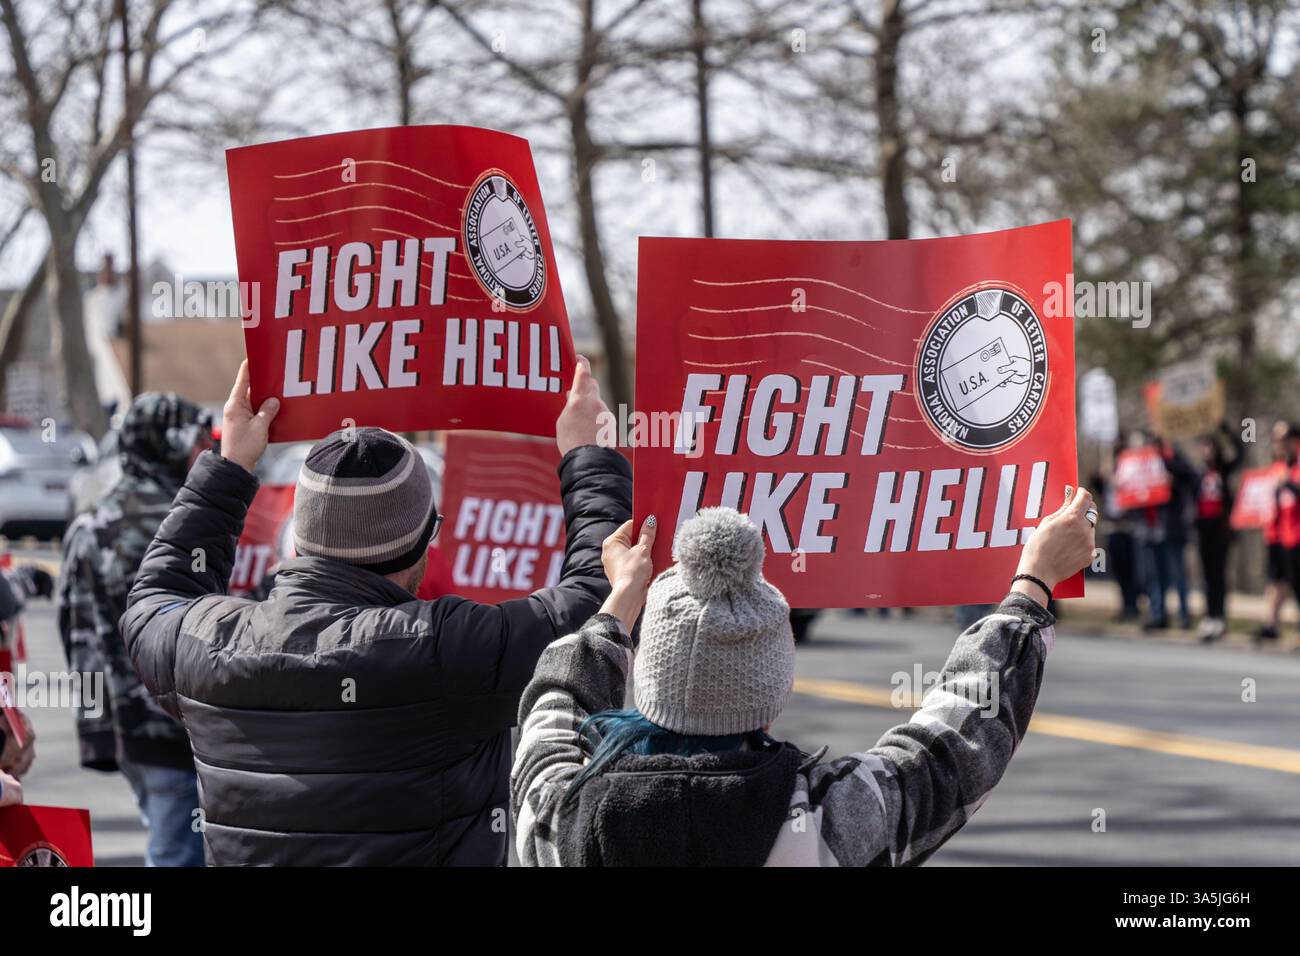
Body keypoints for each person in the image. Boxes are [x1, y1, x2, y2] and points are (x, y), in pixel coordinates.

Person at [121, 358, 630, 866]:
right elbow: (597, 601)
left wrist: (229, 465)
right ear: (421, 546)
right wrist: (587, 455)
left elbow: (153, 597)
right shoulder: (447, 648)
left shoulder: (205, 641)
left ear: (298, 540)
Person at [512, 489, 1097, 866]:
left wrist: (618, 604)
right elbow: (953, 745)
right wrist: (1032, 585)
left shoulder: (564, 822)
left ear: (649, 681)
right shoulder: (827, 819)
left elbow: (554, 702)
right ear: (772, 697)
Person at [58, 392, 214, 867]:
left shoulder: (90, 521)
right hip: (177, 725)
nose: (203, 454)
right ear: (167, 444)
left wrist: (99, 721)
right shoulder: (181, 524)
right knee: (178, 853)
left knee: (170, 840)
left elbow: (73, 628)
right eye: (196, 444)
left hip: (125, 729)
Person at [1139, 437, 1197, 631]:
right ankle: (1158, 614)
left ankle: (1184, 616)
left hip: (1172, 528)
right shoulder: (1140, 466)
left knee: (1178, 574)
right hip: (1150, 527)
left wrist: (1170, 468)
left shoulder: (1175, 462)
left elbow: (1192, 477)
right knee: (1155, 576)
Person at [1193, 423, 1243, 642]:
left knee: (1219, 574)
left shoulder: (1224, 469)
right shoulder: (1199, 474)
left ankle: (1220, 617)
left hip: (1220, 529)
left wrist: (1225, 428)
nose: (1206, 452)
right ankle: (1209, 615)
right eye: (1203, 448)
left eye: (1210, 447)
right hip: (1203, 528)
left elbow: (1241, 451)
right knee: (1207, 575)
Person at [1256, 421, 1299, 642]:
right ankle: (1271, 624)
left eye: (1282, 439)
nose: (1278, 444)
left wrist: (1289, 485)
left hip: (1297, 535)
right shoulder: (1281, 466)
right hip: (1283, 535)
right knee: (1278, 581)